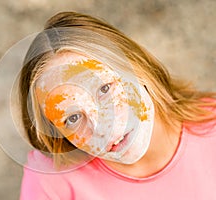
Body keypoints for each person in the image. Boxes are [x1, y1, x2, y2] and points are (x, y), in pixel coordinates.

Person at [18, 11, 216, 199]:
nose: (102, 128)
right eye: (73, 118)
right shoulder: (51, 182)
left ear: (136, 66)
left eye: (104, 89)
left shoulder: (211, 125)